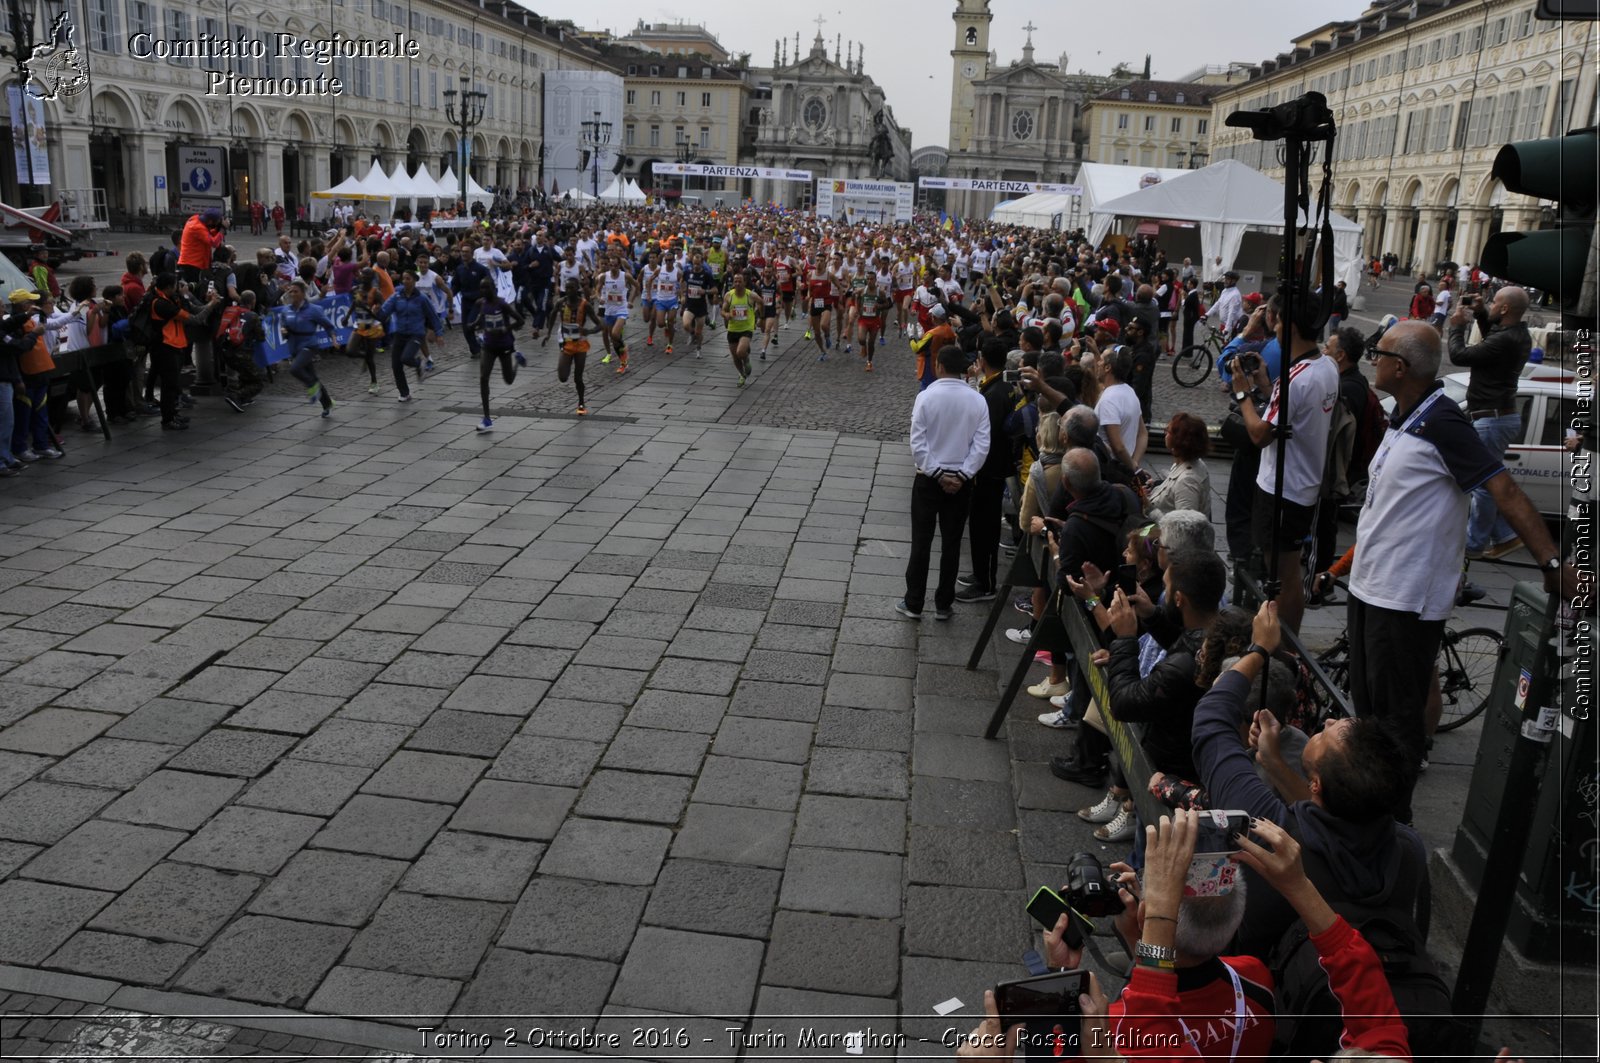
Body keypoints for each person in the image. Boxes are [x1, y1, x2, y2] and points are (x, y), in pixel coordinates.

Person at [1352, 320, 1578, 814]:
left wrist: (1552, 561)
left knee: (1395, 721)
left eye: (1379, 351)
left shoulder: (1444, 423)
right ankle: (1363, 810)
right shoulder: (1403, 415)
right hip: (1371, 589)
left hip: (1404, 598)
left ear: (1400, 366)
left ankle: (1393, 821)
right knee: (1368, 712)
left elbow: (1506, 492)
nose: (1373, 358)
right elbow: (1382, 511)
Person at [1231, 294, 1339, 637]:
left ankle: (1285, 646)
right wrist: (1267, 386)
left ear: (1288, 326)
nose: (1272, 329)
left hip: (1282, 488)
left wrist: (1242, 394)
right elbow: (1297, 413)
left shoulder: (1298, 378)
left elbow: (1261, 434)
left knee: (1284, 574)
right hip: (1302, 483)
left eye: (1274, 322)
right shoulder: (1326, 366)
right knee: (1285, 570)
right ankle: (1282, 639)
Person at [898, 345, 990, 622]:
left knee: (921, 541)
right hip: (961, 482)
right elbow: (982, 443)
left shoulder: (926, 397)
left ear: (938, 366)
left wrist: (936, 472)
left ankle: (914, 601)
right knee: (951, 542)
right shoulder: (976, 400)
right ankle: (943, 603)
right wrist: (963, 474)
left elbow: (918, 441)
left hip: (928, 479)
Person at [1447, 284, 1533, 560]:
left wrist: (1457, 327)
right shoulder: (1516, 334)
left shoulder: (1505, 340)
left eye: (1494, 302)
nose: (1490, 304)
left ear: (1505, 308)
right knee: (1480, 479)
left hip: (1492, 419)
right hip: (1494, 417)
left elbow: (1459, 356)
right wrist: (1483, 314)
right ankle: (1505, 535)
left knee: (1483, 483)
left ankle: (1475, 544)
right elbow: (1491, 341)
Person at [954, 344, 1016, 604]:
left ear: (982, 360)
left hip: (988, 471)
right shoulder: (1000, 385)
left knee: (984, 526)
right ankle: (979, 573)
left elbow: (986, 436)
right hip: (990, 468)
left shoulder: (995, 394)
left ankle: (985, 582)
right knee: (979, 525)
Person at [466, 277, 525, 432]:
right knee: (483, 377)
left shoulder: (502, 304)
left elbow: (520, 321)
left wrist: (505, 329)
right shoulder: (481, 303)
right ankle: (486, 418)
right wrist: (473, 325)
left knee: (509, 380)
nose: (484, 291)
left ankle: (517, 361)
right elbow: (482, 318)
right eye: (481, 288)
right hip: (488, 345)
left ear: (493, 288)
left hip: (504, 345)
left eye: (486, 288)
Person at [380, 271, 445, 403]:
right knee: (396, 365)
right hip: (399, 334)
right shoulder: (397, 296)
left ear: (414, 281)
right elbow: (384, 313)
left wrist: (438, 334)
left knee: (406, 358)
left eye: (408, 278)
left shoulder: (421, 298)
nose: (405, 281)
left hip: (416, 334)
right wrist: (377, 311)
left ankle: (419, 363)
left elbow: (433, 316)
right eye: (403, 278)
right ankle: (404, 393)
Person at [278, 280, 337, 417]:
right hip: (294, 345)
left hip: (309, 344)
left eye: (296, 291)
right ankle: (327, 404)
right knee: (312, 375)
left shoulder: (314, 310)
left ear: (303, 293)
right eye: (290, 291)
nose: (292, 294)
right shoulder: (286, 310)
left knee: (295, 369)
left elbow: (328, 326)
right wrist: (283, 330)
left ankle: (312, 387)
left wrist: (333, 338)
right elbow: (283, 324)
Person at [546, 280, 605, 416]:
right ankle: (567, 369)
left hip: (580, 344)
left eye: (571, 288)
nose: (568, 290)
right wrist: (548, 334)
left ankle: (581, 402)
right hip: (566, 342)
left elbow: (599, 325)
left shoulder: (585, 305)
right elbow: (552, 314)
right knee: (562, 377)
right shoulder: (561, 302)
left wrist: (588, 331)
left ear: (577, 289)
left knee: (578, 377)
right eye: (566, 287)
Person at [1145, 412, 1212, 520]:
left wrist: (1149, 508)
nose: (1165, 433)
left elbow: (1184, 527)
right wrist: (1156, 486)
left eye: (1168, 431)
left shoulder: (1187, 481)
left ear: (1179, 440)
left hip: (1161, 533)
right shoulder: (1193, 462)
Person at [1094, 346, 1146, 476]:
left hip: (1111, 472)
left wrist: (1132, 468)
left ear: (1107, 368)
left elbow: (1118, 447)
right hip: (1125, 468)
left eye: (1100, 360)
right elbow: (1143, 434)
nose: (1097, 363)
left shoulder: (1108, 400)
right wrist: (1134, 462)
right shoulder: (1129, 391)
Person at [721, 269, 758, 387]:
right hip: (733, 329)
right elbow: (723, 310)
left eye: (739, 281)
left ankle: (746, 360)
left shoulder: (750, 295)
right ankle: (742, 374)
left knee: (740, 352)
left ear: (744, 282)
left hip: (746, 328)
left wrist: (759, 317)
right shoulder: (729, 295)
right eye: (735, 281)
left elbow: (761, 302)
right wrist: (726, 315)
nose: (737, 283)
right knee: (735, 356)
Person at [177, 207, 227, 297]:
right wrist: (222, 229)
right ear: (211, 221)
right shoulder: (197, 227)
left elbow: (208, 233)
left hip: (193, 263)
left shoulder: (196, 219)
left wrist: (218, 228)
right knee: (195, 289)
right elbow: (213, 243)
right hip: (192, 264)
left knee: (197, 287)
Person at [911, 304, 956, 391]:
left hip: (931, 366)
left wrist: (911, 337)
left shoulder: (932, 333)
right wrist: (921, 338)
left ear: (935, 318)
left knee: (926, 389)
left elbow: (917, 348)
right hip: (946, 366)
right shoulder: (950, 330)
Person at [1201, 271, 1244, 336]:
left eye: (1228, 279)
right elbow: (1218, 304)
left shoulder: (1235, 295)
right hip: (1223, 324)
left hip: (1231, 327)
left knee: (1226, 345)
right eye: (1225, 278)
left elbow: (1232, 313)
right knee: (1222, 344)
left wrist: (1227, 329)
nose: (1225, 281)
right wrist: (1207, 315)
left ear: (1234, 281)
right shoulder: (1225, 290)